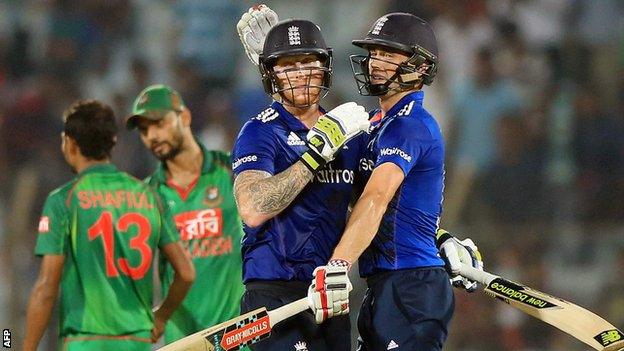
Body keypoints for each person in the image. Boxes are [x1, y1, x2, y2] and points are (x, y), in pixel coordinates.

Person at [309, 13, 484, 350]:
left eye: (388, 55)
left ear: (419, 67)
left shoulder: (410, 126)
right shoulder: (377, 125)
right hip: (384, 287)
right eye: (374, 53)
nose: (375, 62)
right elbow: (337, 164)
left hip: (411, 288)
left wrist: (337, 264)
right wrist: (440, 236)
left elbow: (376, 197)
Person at [233, 14, 370, 351]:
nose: (300, 74)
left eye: (308, 62)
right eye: (288, 65)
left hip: (330, 290)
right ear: (270, 74)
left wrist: (434, 237)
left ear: (325, 67)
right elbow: (251, 208)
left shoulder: (349, 134)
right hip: (274, 292)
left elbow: (370, 206)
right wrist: (313, 157)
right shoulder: (260, 131)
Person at [23, 100, 195, 351]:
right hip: (137, 341)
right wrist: (160, 317)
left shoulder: (64, 200)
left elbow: (47, 287)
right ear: (112, 144)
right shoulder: (150, 196)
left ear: (70, 143)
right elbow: (186, 273)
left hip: (86, 340)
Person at [125, 84, 247, 345]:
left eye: (158, 124)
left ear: (185, 118)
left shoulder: (230, 170)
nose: (151, 136)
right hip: (185, 341)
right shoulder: (147, 195)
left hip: (242, 333)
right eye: (144, 130)